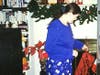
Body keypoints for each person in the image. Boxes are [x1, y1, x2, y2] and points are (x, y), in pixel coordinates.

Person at [45, 3, 88, 75]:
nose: (76, 19)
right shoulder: (55, 26)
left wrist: (81, 45)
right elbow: (49, 47)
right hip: (57, 65)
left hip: (66, 64)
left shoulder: (67, 25)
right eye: (76, 16)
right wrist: (70, 52)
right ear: (70, 13)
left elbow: (70, 40)